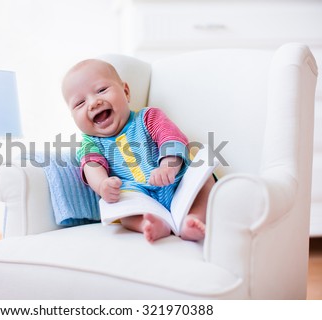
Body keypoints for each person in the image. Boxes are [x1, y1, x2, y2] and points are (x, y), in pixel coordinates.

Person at [62, 59, 215, 243]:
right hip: (138, 195)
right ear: (73, 117)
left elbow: (171, 138)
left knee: (205, 179)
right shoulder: (90, 143)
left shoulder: (148, 118)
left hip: (176, 182)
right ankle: (150, 224)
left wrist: (168, 166)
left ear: (125, 92)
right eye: (80, 103)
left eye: (102, 90)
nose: (93, 103)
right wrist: (103, 185)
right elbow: (92, 166)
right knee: (121, 207)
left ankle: (193, 218)